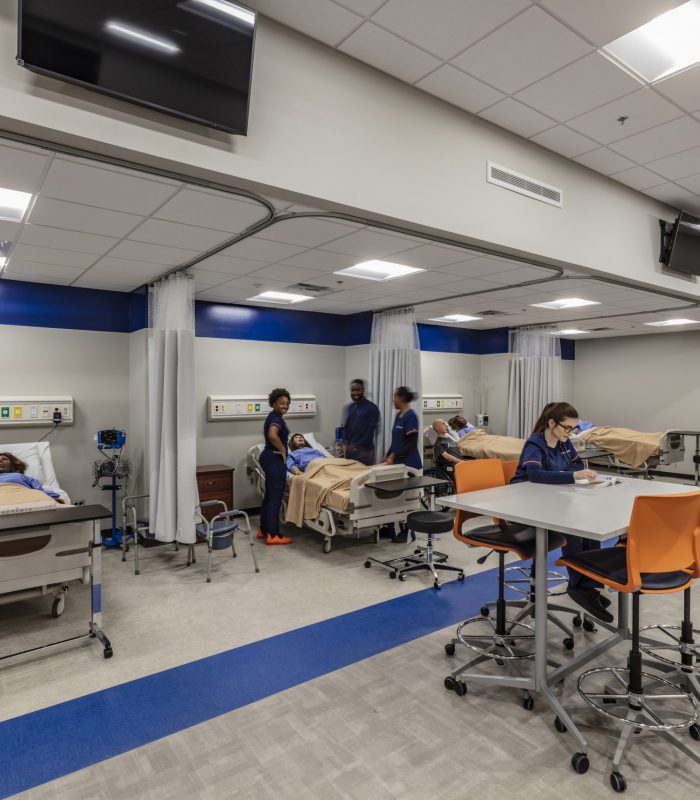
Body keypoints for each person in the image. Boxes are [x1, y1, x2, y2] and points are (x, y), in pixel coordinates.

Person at [511, 402, 612, 623]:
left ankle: (588, 586)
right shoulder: (535, 444)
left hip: (552, 501)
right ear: (552, 423)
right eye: (567, 428)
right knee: (573, 531)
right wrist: (572, 476)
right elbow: (535, 475)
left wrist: (575, 473)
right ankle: (578, 586)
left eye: (574, 428)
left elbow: (575, 465)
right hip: (524, 507)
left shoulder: (565, 444)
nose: (571, 433)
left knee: (590, 527)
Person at [382, 387, 422, 543]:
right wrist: (387, 456)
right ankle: (391, 529)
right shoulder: (399, 416)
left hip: (409, 464)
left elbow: (411, 442)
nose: (393, 400)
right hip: (398, 463)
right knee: (393, 498)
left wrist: (394, 455)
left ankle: (407, 533)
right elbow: (396, 442)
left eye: (394, 397)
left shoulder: (411, 416)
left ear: (401, 399)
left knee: (406, 500)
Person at [258, 388, 293, 545]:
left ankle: (263, 530)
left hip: (268, 457)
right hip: (274, 459)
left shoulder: (274, 416)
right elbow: (273, 435)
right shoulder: (276, 419)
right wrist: (283, 449)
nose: (284, 406)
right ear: (273, 403)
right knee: (275, 498)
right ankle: (273, 535)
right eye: (281, 403)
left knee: (269, 496)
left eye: (287, 403)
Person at [341, 379, 380, 466]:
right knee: (350, 477)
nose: (355, 393)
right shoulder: (350, 407)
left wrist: (357, 446)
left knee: (364, 478)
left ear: (363, 390)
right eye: (353, 390)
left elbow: (372, 431)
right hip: (350, 452)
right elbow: (346, 428)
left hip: (364, 453)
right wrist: (343, 443)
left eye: (357, 390)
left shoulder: (372, 408)